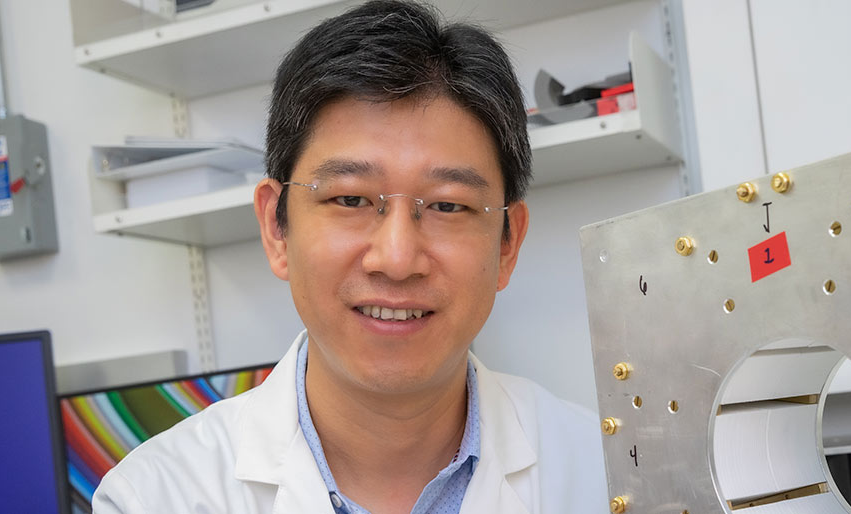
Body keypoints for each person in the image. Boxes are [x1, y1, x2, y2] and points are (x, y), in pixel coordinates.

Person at [91, 1, 606, 512]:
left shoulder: (607, 476)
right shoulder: (154, 497)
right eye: (351, 199)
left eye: (449, 204)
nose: (398, 258)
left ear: (507, 243)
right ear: (277, 226)